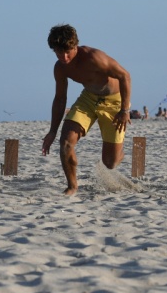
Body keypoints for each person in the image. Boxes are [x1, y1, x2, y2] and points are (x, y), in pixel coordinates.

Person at [41, 24, 132, 196]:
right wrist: (52, 131)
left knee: (110, 163)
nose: (64, 57)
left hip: (113, 101)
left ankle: (119, 151)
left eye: (68, 52)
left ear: (75, 46)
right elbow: (60, 99)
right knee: (66, 142)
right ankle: (72, 186)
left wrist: (124, 110)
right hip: (88, 99)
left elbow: (124, 76)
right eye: (59, 53)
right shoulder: (60, 68)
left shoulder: (95, 58)